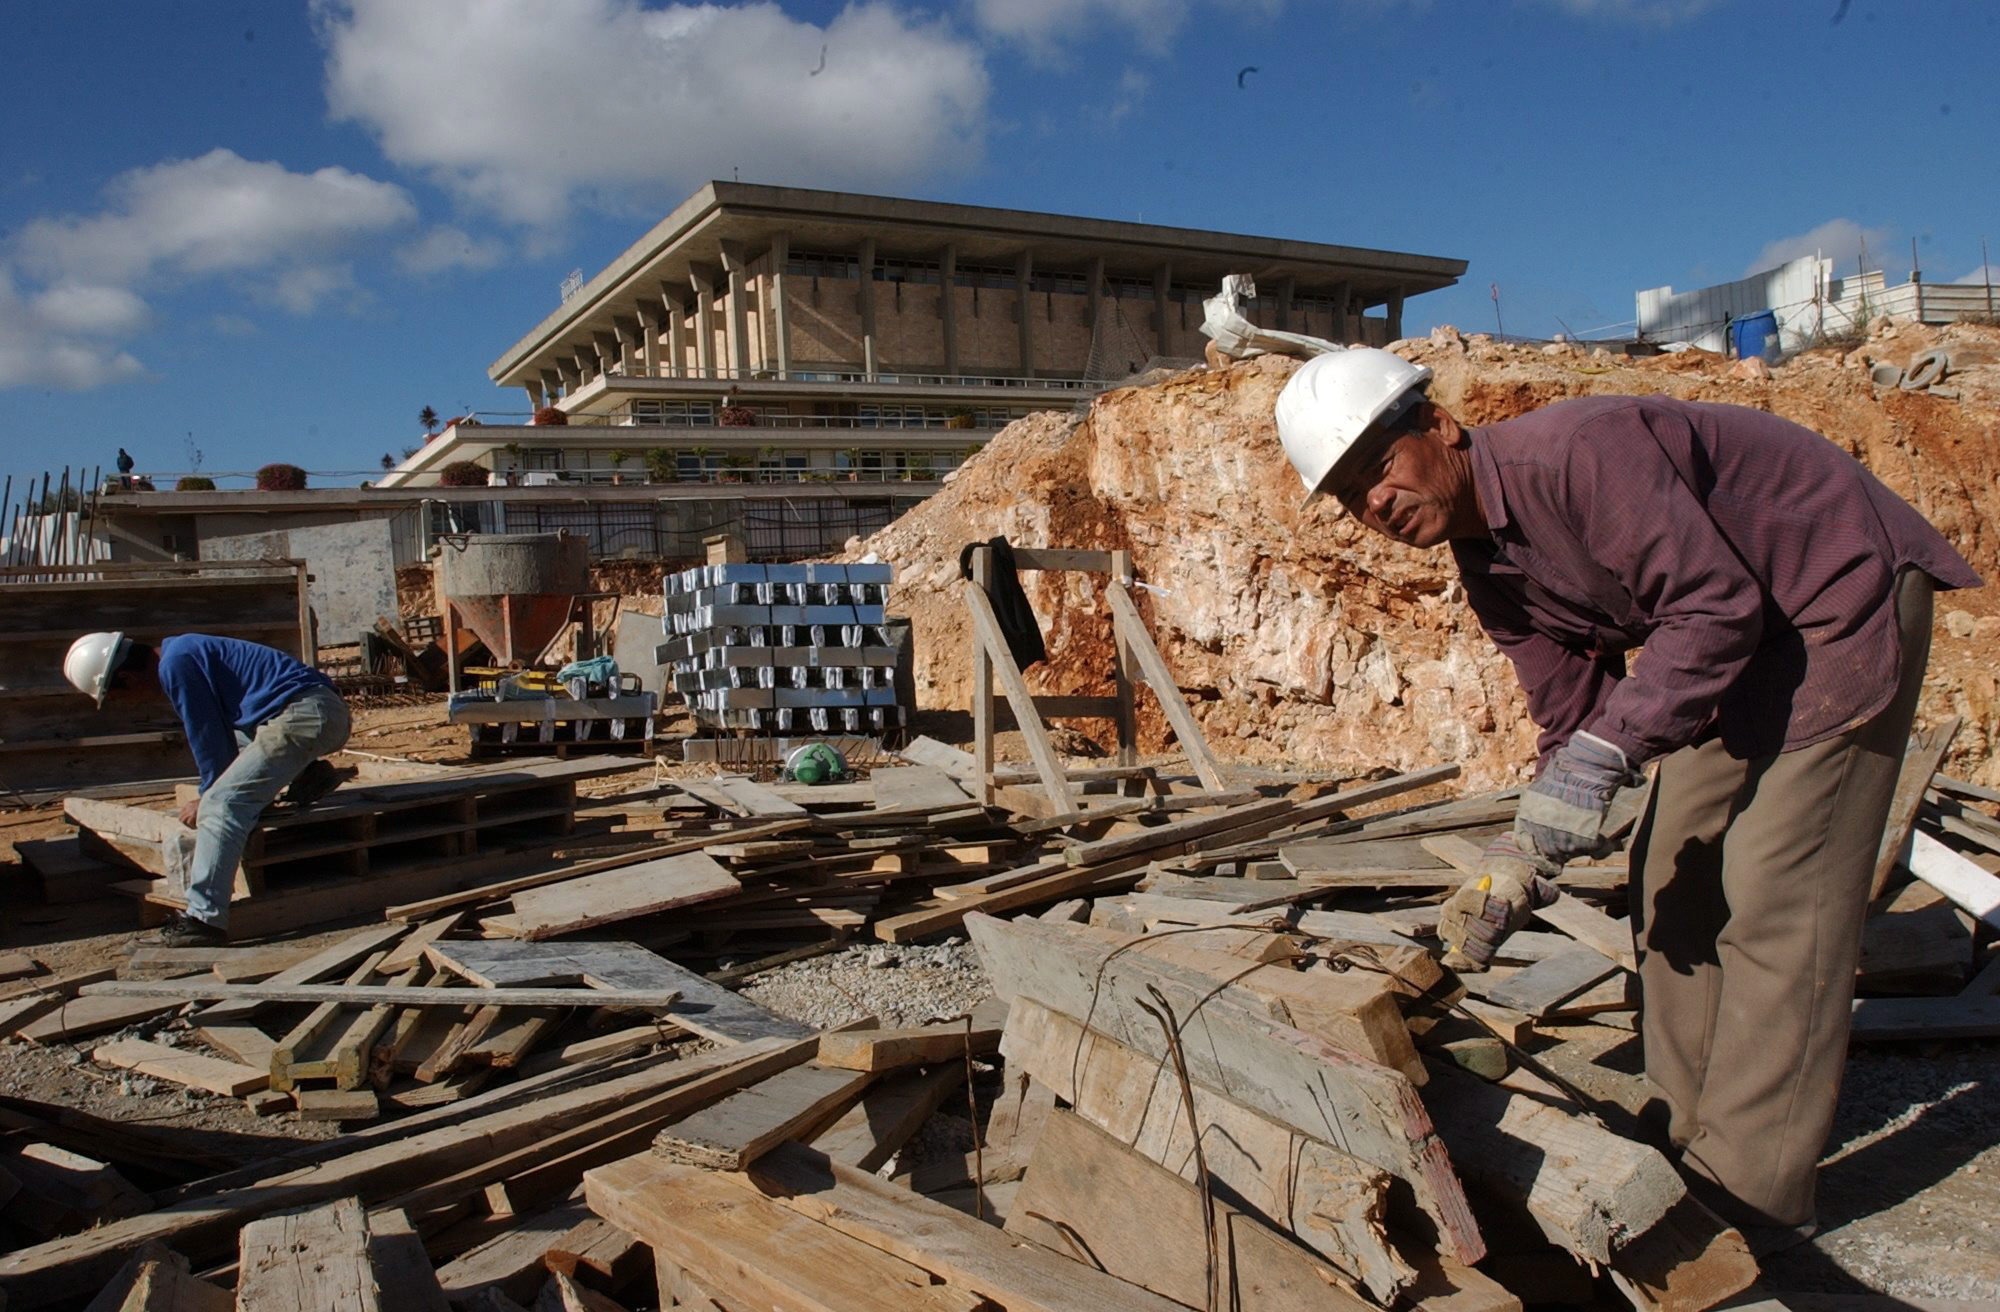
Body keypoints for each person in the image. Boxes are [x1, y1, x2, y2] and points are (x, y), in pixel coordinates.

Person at [1273, 348, 1980, 1254]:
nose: (1373, 504)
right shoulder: (1489, 566)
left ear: (1439, 427)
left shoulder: (1580, 454)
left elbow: (1712, 608)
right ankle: (1682, 1135)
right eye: (1347, 497)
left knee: (1774, 896)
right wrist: (1521, 859)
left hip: (1829, 599)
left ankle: (1756, 1192)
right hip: (1731, 641)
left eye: (1378, 468)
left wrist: (1598, 762)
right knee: (1667, 873)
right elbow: (1571, 720)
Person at [63, 633, 353, 946]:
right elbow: (223, 737)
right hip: (312, 711)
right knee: (234, 781)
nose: (125, 705)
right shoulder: (181, 652)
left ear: (127, 678)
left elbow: (208, 740)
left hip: (307, 716)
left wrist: (208, 797)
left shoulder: (177, 666)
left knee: (222, 805)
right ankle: (307, 773)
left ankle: (204, 920)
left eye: (117, 697)